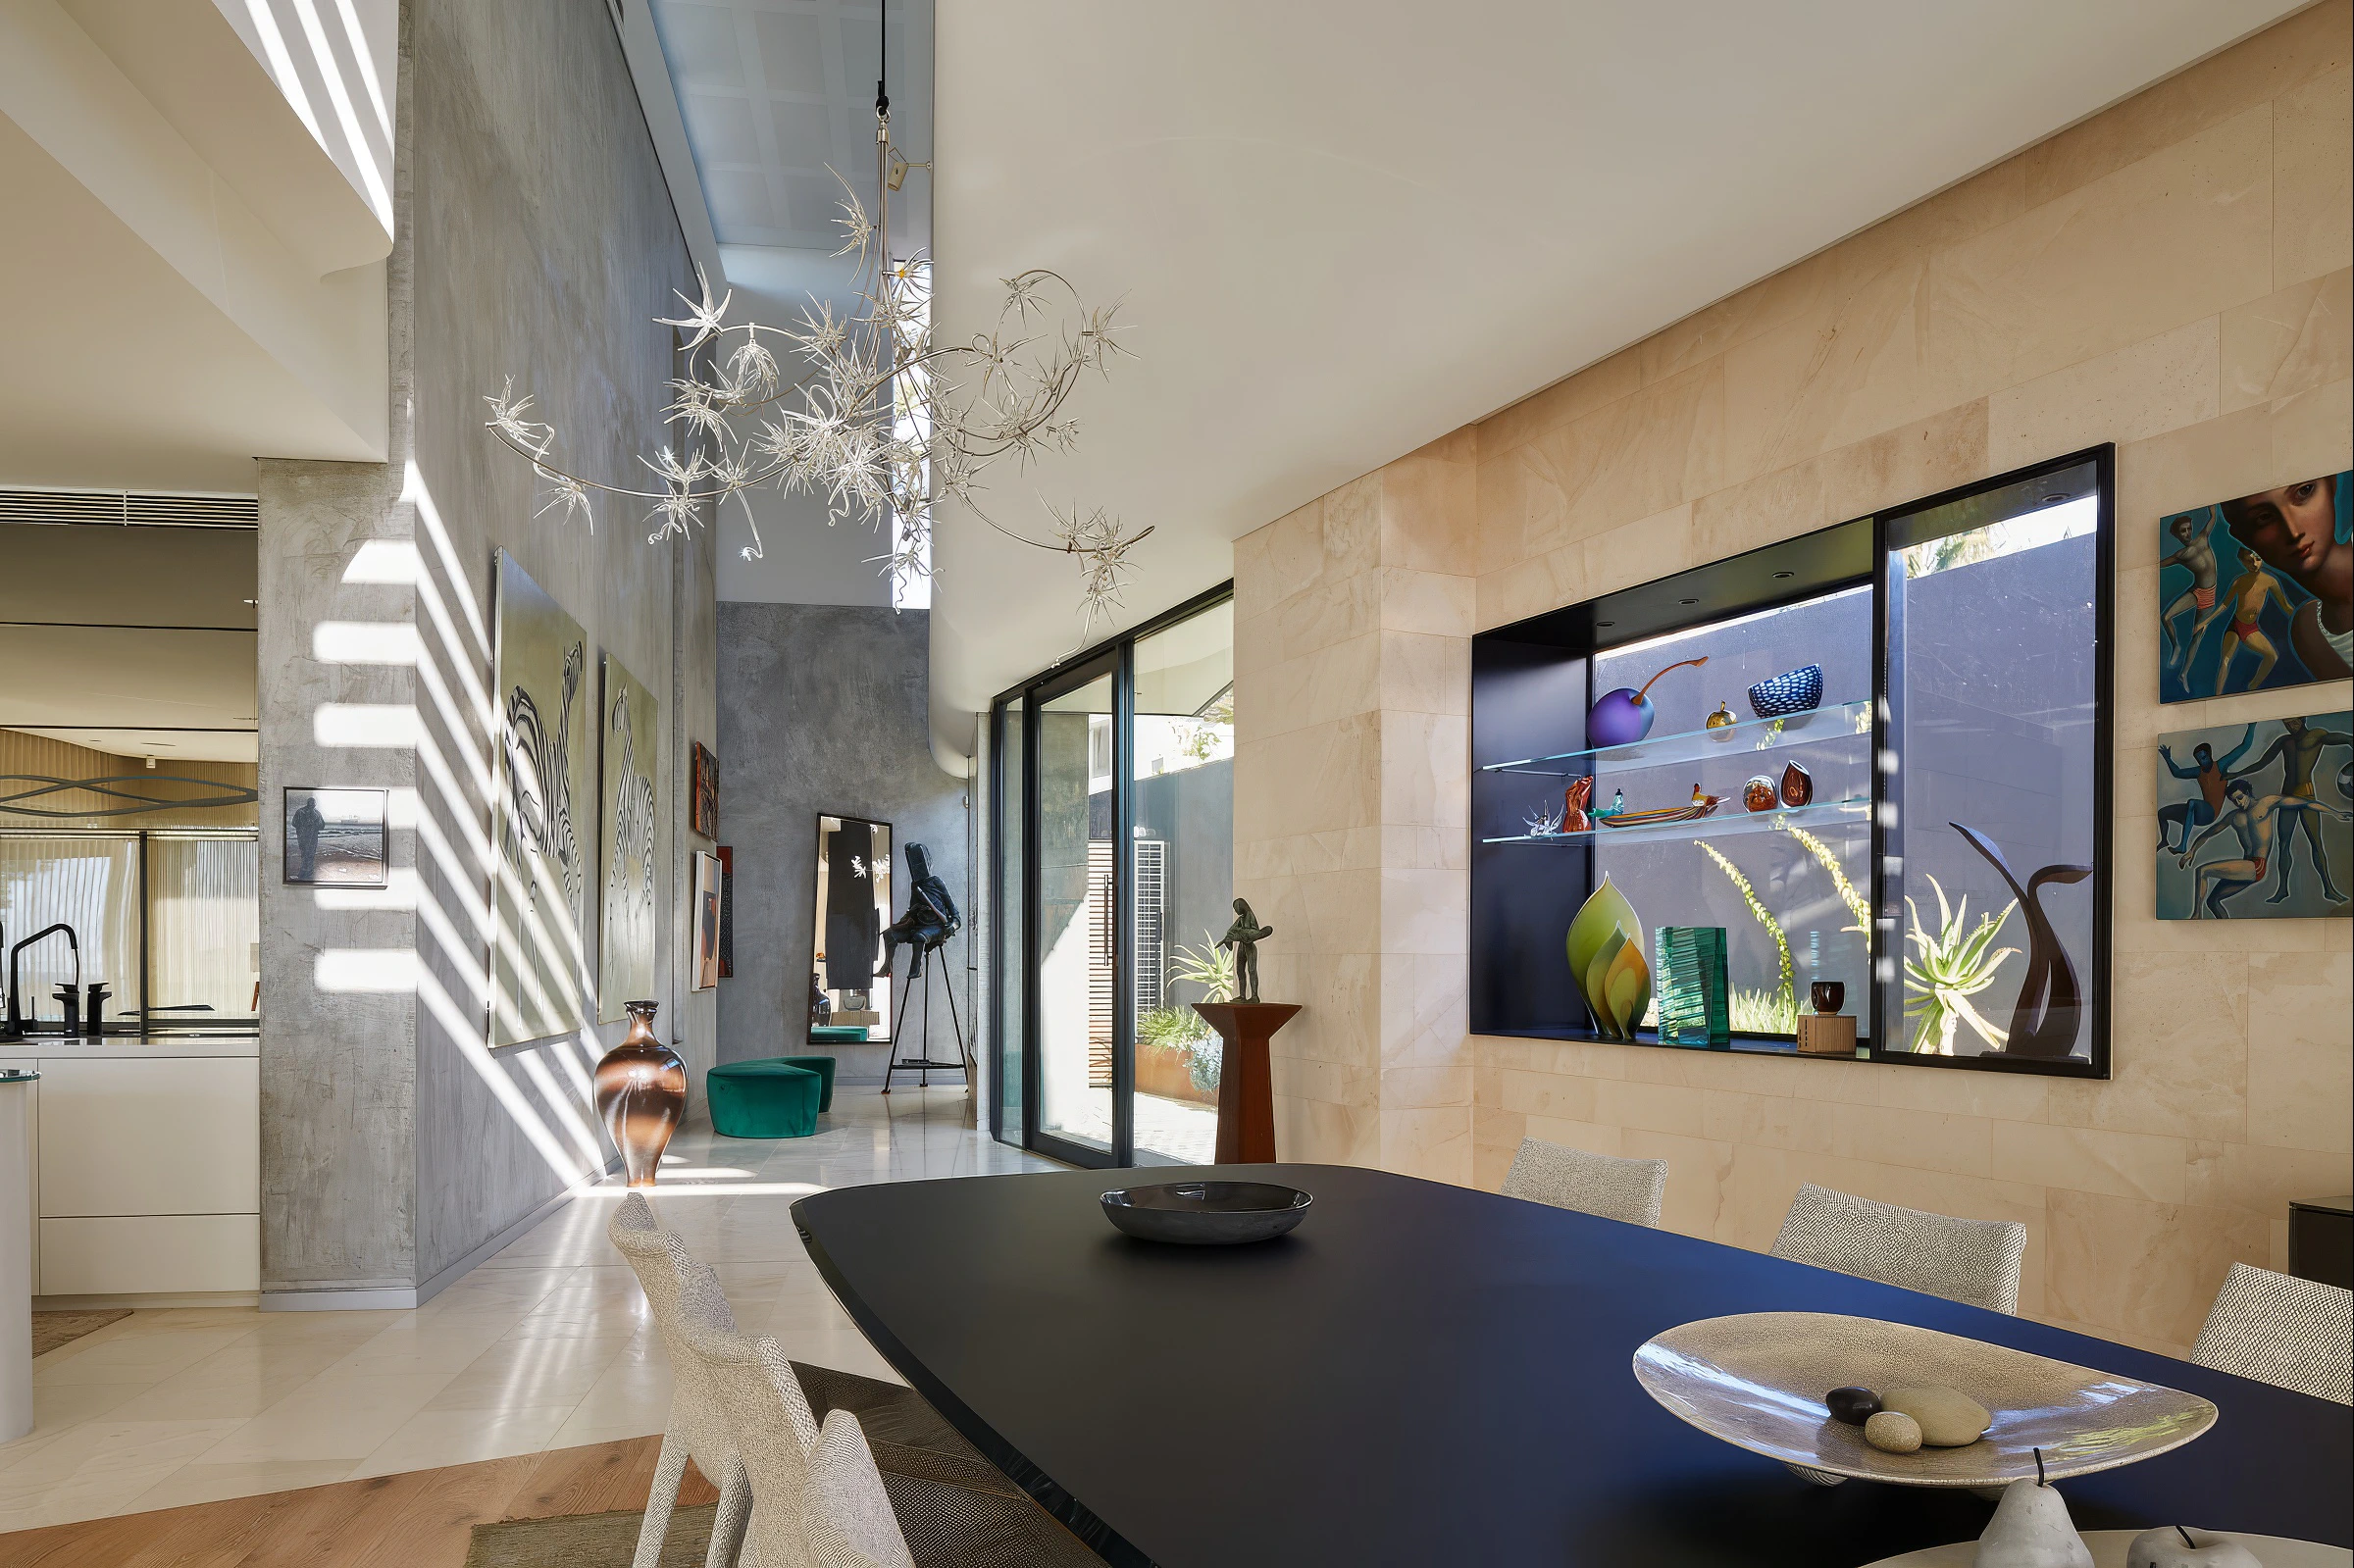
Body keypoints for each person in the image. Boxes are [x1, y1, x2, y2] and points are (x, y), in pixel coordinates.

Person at [2223, 473, 2353, 682]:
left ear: (2331, 483)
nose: (2293, 531)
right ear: (2243, 536)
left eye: (2304, 491)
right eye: (2264, 517)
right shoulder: (2308, 630)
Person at [2178, 778, 2351, 918]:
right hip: (2245, 870)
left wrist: (2334, 812)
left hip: (2257, 866)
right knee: (2213, 901)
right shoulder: (2234, 817)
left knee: (2202, 871)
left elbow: (2304, 803)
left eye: (2240, 798)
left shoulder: (2266, 803)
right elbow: (2208, 833)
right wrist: (2192, 850)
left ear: (2247, 793)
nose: (2238, 803)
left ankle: (2196, 916)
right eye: (2233, 801)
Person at [2236, 713, 2353, 904]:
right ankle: (2282, 889)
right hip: (2286, 798)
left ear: (2303, 719)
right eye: (2287, 723)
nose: (2291, 726)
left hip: (2306, 795)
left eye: (2294, 722)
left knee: (2316, 843)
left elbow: (2346, 738)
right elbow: (2262, 763)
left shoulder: (2317, 735)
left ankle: (2329, 889)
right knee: (2284, 844)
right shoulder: (2284, 741)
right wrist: (2237, 773)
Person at [2210, 547, 2299, 696]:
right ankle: (2217, 697)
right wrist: (2206, 622)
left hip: (2249, 627)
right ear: (2243, 562)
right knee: (2225, 660)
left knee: (2272, 656)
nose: (2255, 564)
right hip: (2235, 624)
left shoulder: (2270, 581)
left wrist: (2300, 618)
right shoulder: (2240, 581)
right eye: (2249, 561)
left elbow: (2286, 606)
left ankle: (2252, 687)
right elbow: (2225, 604)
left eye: (2258, 559)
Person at [2157, 725, 2255, 853]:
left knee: (2192, 803)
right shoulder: (2199, 771)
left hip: (2210, 813)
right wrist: (2167, 758)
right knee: (2162, 813)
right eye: (2199, 760)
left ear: (2210, 755)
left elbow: (2244, 747)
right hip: (2198, 813)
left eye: (2203, 758)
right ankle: (2164, 840)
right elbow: (2177, 773)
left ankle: (2183, 845)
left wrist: (2252, 726)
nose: (2202, 763)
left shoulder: (2220, 765)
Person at [2159, 510, 2227, 676]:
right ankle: (2176, 645)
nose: (2188, 533)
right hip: (2196, 591)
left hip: (2209, 595)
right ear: (2177, 535)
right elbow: (2157, 565)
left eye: (2189, 528)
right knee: (2166, 617)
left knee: (2196, 635)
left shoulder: (2202, 538)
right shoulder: (2180, 555)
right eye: (2183, 531)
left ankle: (2184, 673)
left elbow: (2213, 516)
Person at [1217, 897, 1275, 1004]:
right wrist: (1231, 938)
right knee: (1239, 970)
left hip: (1249, 946)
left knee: (1252, 970)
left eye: (1236, 908)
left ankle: (1254, 996)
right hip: (1242, 946)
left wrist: (1241, 933)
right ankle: (1242, 996)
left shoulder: (1250, 916)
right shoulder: (1240, 919)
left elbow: (1254, 931)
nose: (1236, 911)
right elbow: (1231, 931)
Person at [290, 793, 324, 881]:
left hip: (306, 837)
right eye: (312, 803)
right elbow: (322, 826)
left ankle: (306, 872)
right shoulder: (316, 813)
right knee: (308, 854)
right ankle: (306, 872)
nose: (312, 805)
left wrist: (302, 828)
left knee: (307, 854)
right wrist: (307, 827)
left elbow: (294, 823)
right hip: (307, 837)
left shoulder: (302, 811)